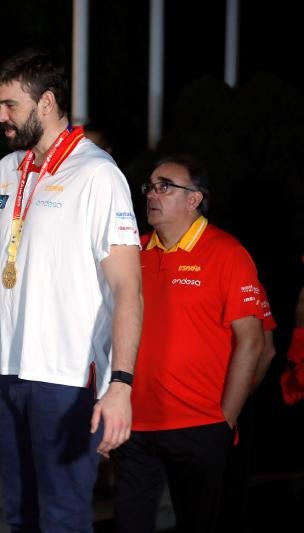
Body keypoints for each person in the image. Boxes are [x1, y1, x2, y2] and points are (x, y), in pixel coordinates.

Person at [0, 48, 143, 532]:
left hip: (65, 378)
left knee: (61, 519)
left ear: (46, 103)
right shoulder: (5, 172)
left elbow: (129, 289)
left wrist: (120, 384)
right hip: (8, 372)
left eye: (10, 105)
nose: (0, 116)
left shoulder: (97, 175)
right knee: (20, 516)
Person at [112, 155, 265, 533]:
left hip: (200, 427)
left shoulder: (227, 253)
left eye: (165, 186)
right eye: (150, 186)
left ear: (195, 199)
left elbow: (254, 343)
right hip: (133, 426)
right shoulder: (132, 253)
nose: (152, 194)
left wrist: (224, 420)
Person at [217, 282, 276, 532]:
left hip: (221, 406)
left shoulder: (244, 281)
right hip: (225, 405)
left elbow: (264, 350)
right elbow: (267, 351)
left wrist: (241, 393)